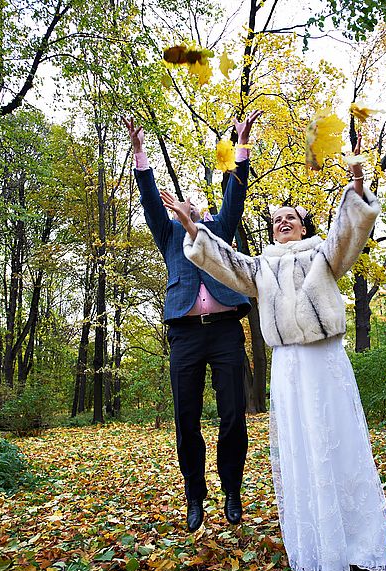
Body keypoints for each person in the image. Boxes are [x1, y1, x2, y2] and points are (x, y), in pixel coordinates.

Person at [162, 135, 386, 571]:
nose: (281, 223)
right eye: (275, 220)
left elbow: (348, 235)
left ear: (304, 226)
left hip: (324, 362)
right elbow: (225, 261)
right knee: (302, 450)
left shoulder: (322, 255)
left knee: (337, 445)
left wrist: (359, 185)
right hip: (289, 368)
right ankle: (317, 542)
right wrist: (191, 227)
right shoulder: (262, 265)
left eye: (290, 218)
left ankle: (358, 540)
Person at [123, 110, 263, 532]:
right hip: (184, 335)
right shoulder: (168, 235)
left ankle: (232, 490)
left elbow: (234, 197)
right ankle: (194, 496)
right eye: (184, 205)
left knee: (234, 415)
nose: (191, 209)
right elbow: (150, 203)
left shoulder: (218, 229)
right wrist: (139, 153)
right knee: (186, 419)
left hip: (224, 334)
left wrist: (241, 148)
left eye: (196, 206)